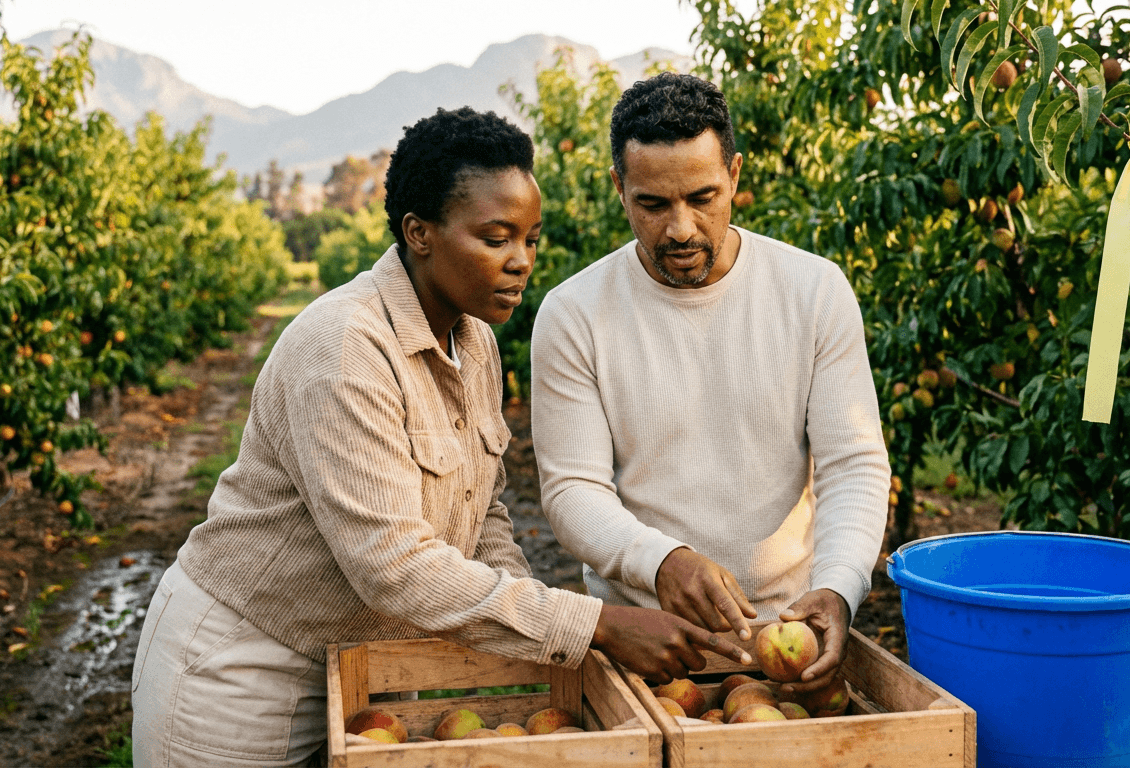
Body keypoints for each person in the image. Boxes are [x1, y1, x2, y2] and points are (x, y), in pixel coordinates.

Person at [131, 106, 749, 768]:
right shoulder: (345, 351)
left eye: (531, 240)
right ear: (419, 233)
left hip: (367, 670)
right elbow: (393, 566)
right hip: (243, 669)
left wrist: (539, 643)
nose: (521, 263)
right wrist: (591, 624)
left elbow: (483, 518)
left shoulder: (475, 340)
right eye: (495, 238)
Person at [530, 73, 891, 704]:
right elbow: (571, 489)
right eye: (652, 204)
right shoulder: (574, 314)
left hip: (787, 640)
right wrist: (660, 561)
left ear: (735, 176)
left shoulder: (813, 292)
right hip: (646, 648)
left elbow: (853, 464)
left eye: (703, 197)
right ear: (619, 188)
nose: (680, 228)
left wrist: (837, 587)